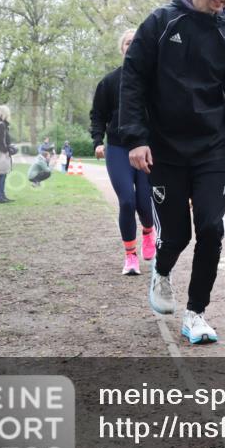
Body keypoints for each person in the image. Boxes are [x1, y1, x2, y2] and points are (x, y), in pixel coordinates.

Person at [119, 0, 225, 345]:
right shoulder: (161, 23)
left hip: (210, 150)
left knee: (211, 228)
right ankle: (161, 272)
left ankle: (196, 313)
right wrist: (136, 138)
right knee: (178, 235)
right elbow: (132, 81)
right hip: (163, 150)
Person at [90, 29, 157, 276]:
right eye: (128, 42)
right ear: (122, 49)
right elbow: (98, 115)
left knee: (144, 200)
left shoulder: (155, 80)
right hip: (118, 147)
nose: (132, 46)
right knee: (127, 200)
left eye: (136, 42)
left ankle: (149, 232)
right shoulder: (109, 82)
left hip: (147, 147)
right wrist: (98, 141)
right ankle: (130, 256)